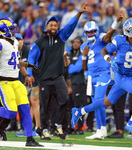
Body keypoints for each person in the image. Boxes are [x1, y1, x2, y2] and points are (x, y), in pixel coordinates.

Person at [71, 17, 132, 136]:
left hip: (129, 77)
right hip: (120, 76)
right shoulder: (119, 40)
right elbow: (104, 51)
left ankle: (79, 111)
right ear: (128, 31)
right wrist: (110, 60)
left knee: (106, 102)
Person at [27, 2, 88, 140]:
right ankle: (43, 129)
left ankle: (57, 125)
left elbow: (71, 26)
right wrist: (30, 75)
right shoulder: (39, 42)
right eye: (51, 25)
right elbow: (31, 60)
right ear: (46, 27)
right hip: (44, 79)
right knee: (46, 105)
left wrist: (79, 13)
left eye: (55, 25)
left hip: (59, 77)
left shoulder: (61, 36)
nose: (53, 27)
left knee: (64, 100)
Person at [78, 11, 123, 140]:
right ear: (85, 33)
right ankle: (101, 129)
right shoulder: (84, 46)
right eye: (88, 32)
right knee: (96, 103)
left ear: (96, 31)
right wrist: (84, 55)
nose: (91, 34)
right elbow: (84, 67)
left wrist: (116, 23)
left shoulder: (101, 39)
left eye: (93, 31)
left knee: (98, 101)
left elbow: (108, 36)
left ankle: (100, 130)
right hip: (91, 77)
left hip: (103, 74)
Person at [0, 21, 42, 147]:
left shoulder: (14, 42)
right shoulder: (1, 43)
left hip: (16, 81)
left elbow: (15, 61)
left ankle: (30, 139)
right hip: (4, 81)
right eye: (11, 29)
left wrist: (27, 69)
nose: (13, 31)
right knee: (12, 112)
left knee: (25, 109)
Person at [68, 37, 87, 135]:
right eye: (74, 42)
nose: (75, 44)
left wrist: (69, 66)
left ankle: (79, 127)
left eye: (78, 42)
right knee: (70, 106)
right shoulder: (69, 54)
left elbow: (76, 68)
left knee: (79, 106)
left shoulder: (82, 54)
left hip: (79, 83)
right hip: (69, 83)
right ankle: (71, 127)